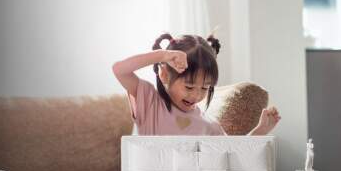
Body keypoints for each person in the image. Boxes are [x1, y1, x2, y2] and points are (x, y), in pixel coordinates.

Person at [112, 33, 281, 135]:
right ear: (164, 74)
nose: (196, 95)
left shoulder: (209, 126)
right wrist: (162, 56)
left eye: (205, 88)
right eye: (189, 87)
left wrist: (260, 131)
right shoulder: (149, 102)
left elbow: (233, 159)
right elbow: (119, 69)